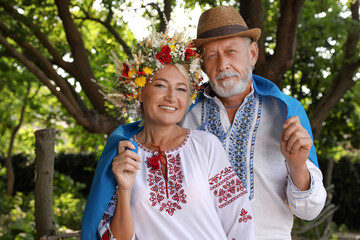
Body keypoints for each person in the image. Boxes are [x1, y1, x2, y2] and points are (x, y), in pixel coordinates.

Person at [81, 30, 255, 240]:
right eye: (161, 85)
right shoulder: (124, 154)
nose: (172, 97)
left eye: (181, 89)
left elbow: (238, 217)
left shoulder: (206, 145)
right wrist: (125, 190)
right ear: (139, 92)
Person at [181, 6, 327, 239]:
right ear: (202, 64)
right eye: (211, 56)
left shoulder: (286, 111)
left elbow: (310, 211)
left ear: (252, 54)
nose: (223, 65)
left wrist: (297, 165)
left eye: (231, 51)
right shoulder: (184, 116)